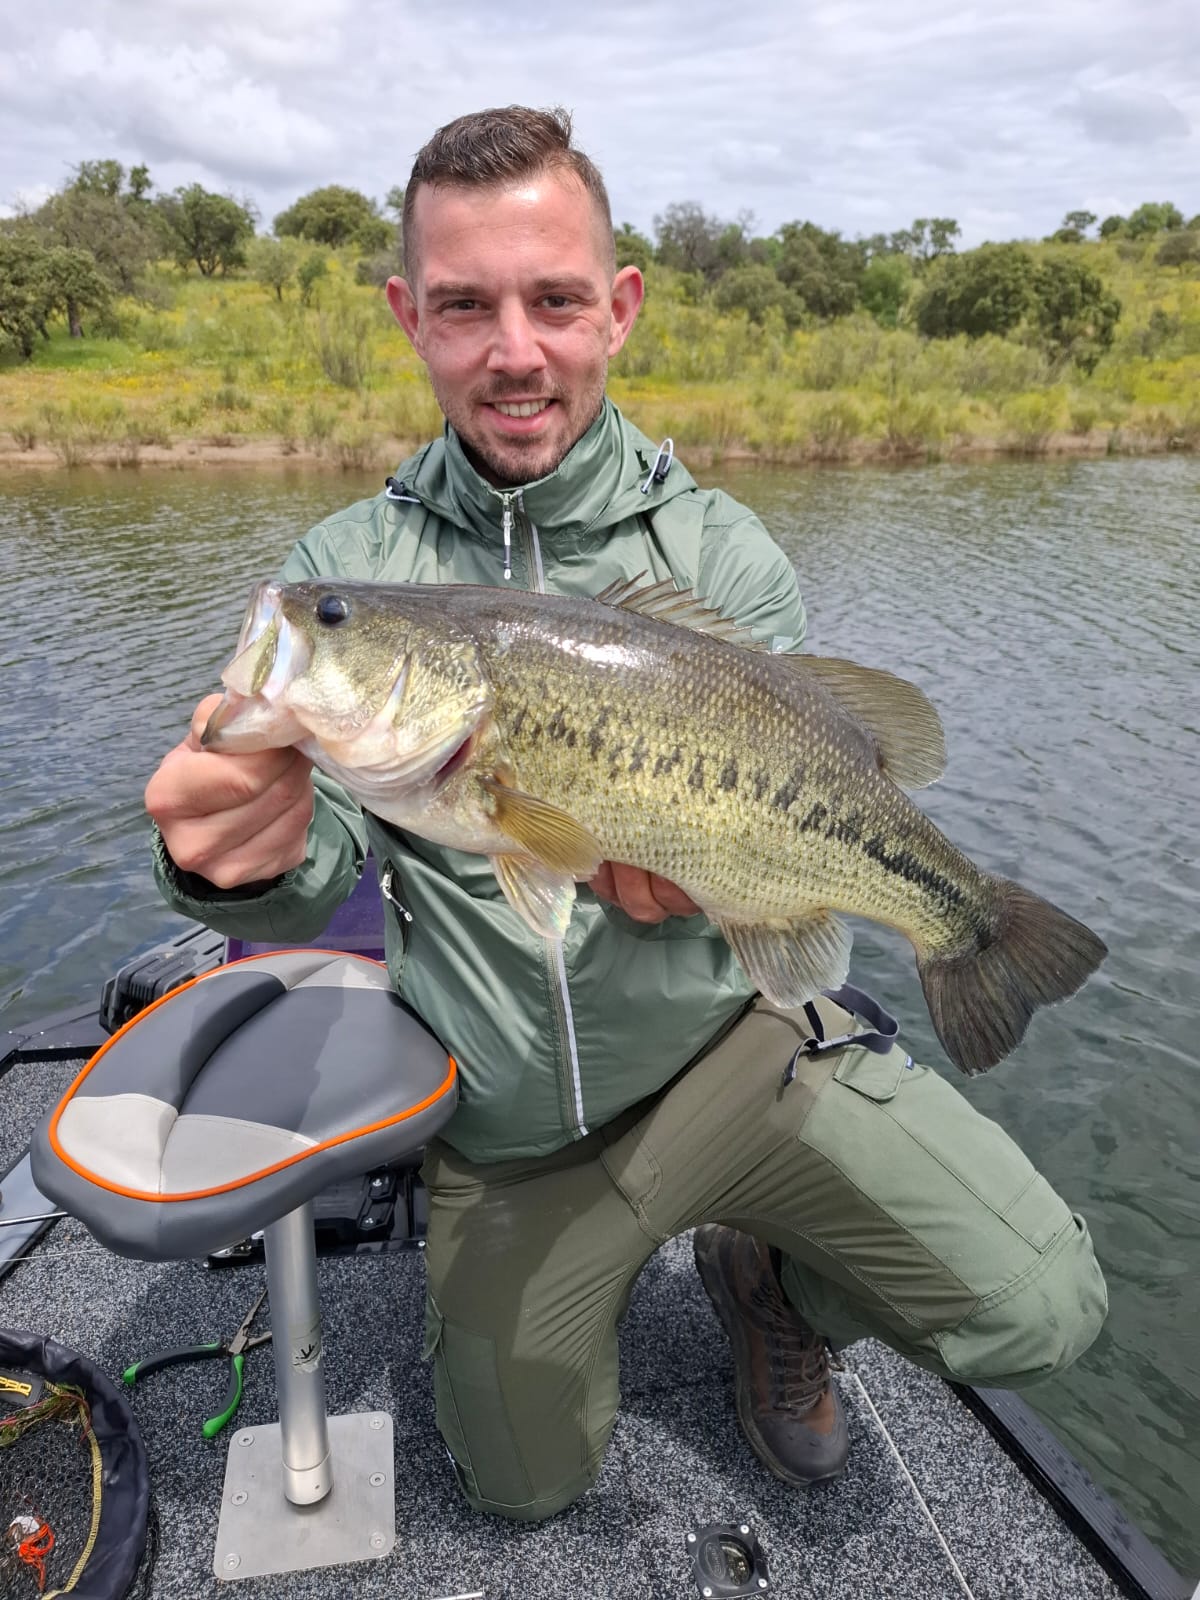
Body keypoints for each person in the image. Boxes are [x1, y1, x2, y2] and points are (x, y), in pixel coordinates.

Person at [145, 105, 1107, 1522]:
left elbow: (797, 797)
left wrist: (725, 878)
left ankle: (769, 1279)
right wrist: (237, 870)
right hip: (510, 1126)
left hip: (738, 1060)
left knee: (1044, 1304)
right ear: (411, 316)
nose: (514, 349)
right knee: (525, 1487)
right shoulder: (345, 562)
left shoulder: (721, 552)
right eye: (466, 306)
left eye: (554, 300)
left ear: (621, 309)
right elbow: (328, 860)